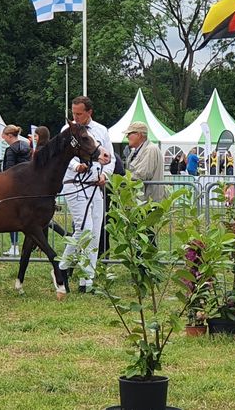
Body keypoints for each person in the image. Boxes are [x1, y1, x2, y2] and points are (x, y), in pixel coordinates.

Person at [58, 96, 114, 293]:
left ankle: (87, 280)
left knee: (95, 232)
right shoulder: (67, 130)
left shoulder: (101, 130)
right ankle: (62, 267)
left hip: (95, 185)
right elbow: (62, 155)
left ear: (89, 112)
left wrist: (105, 175)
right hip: (74, 183)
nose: (75, 117)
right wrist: (76, 166)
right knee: (84, 228)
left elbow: (110, 157)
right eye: (73, 113)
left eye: (79, 113)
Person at [1, 124, 32, 256]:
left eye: (4, 136)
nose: (4, 139)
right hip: (27, 185)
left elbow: (9, 170)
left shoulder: (10, 150)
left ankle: (14, 246)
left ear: (9, 136)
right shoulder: (27, 147)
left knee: (11, 215)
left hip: (14, 187)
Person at [123, 122, 164, 202]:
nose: (127, 136)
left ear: (138, 135)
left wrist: (118, 181)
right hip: (141, 200)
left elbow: (142, 174)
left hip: (150, 202)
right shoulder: (135, 151)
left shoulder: (151, 149)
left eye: (129, 134)